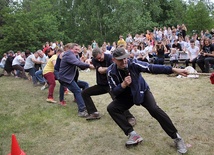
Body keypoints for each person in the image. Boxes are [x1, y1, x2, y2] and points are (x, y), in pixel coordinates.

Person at [107, 47, 188, 154]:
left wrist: (173, 69)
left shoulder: (133, 64)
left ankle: (177, 138)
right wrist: (123, 85)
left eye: (125, 58)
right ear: (114, 60)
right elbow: (114, 91)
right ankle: (133, 135)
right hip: (126, 96)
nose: (124, 61)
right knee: (112, 108)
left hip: (141, 91)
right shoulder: (111, 72)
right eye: (120, 60)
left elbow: (151, 67)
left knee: (154, 109)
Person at [81, 47, 136, 125]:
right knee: (85, 93)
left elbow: (115, 68)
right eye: (97, 59)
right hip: (101, 85)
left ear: (103, 53)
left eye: (100, 58)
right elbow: (100, 70)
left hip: (111, 84)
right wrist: (111, 68)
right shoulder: (94, 60)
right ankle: (94, 113)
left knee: (117, 100)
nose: (99, 60)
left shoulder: (110, 58)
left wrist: (109, 69)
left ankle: (130, 117)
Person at [58, 43, 94, 117]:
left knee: (85, 84)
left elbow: (80, 65)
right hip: (65, 78)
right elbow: (78, 63)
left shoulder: (75, 55)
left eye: (78, 49)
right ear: (71, 49)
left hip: (70, 78)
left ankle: (84, 102)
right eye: (76, 49)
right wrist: (89, 65)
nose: (77, 51)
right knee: (78, 91)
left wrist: (87, 64)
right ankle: (81, 111)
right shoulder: (69, 54)